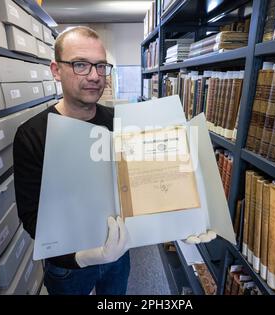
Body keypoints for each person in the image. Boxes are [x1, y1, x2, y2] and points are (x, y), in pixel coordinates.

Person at [13, 26, 215, 295]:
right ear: (55, 70)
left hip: (119, 252)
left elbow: (145, 185)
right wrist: (85, 256)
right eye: (81, 65)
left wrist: (183, 218)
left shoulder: (120, 122)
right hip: (69, 265)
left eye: (101, 66)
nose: (95, 76)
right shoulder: (33, 134)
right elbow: (31, 216)